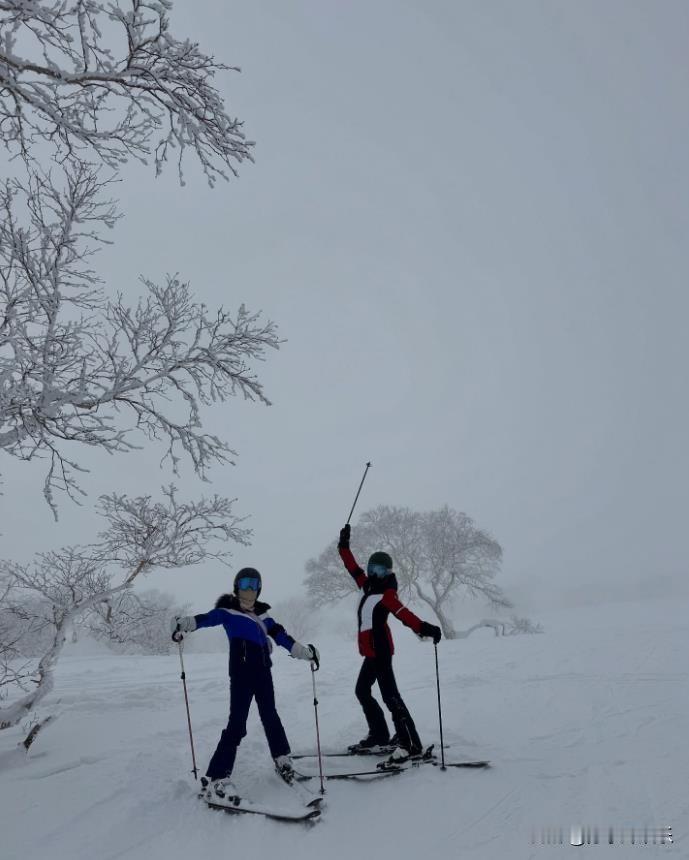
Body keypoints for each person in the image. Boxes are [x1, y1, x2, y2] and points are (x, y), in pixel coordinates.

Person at [170, 567, 319, 803]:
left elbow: (282, 637)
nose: (250, 588)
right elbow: (207, 619)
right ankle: (217, 777)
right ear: (237, 586)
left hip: (263, 674)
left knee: (271, 716)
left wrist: (304, 652)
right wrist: (185, 623)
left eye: (254, 584)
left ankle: (281, 758)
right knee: (237, 724)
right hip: (241, 675)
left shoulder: (264, 617)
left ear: (259, 589)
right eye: (245, 583)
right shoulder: (228, 611)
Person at [337, 523, 442, 764]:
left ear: (388, 572)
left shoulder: (387, 594)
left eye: (381, 570)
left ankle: (410, 744)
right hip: (370, 653)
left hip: (381, 651)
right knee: (362, 691)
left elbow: (405, 615)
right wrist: (343, 546)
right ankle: (379, 735)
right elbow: (353, 568)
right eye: (373, 568)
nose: (376, 573)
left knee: (390, 696)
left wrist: (426, 629)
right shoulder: (369, 587)